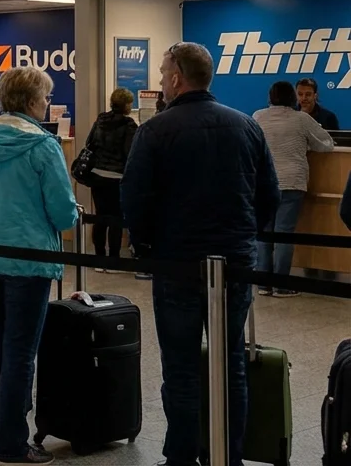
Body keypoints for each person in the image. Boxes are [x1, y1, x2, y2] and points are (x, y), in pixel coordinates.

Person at [122, 42, 280, 466]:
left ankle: (181, 456)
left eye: (161, 73)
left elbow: (135, 198)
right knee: (231, 364)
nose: (158, 81)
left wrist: (147, 246)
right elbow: (270, 194)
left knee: (181, 366)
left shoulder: (155, 131)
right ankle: (228, 454)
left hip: (177, 263)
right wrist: (247, 236)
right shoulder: (246, 126)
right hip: (235, 263)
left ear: (176, 78)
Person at [0, 66, 78, 465]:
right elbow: (62, 213)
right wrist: (72, 215)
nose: (46, 104)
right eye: (44, 98)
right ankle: (12, 446)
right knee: (20, 353)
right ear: (30, 102)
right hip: (28, 261)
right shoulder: (44, 146)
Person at [253, 80, 335, 295]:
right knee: (284, 234)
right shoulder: (301, 119)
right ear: (293, 97)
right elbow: (326, 145)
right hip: (291, 182)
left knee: (264, 233)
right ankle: (282, 285)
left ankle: (262, 283)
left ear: (270, 97)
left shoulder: (258, 116)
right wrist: (304, 144)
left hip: (263, 182)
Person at [83, 88, 139, 266]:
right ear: (126, 105)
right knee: (116, 218)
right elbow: (130, 152)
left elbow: (89, 143)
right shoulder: (129, 125)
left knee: (100, 216)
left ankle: (99, 258)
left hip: (97, 176)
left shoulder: (100, 120)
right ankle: (114, 259)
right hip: (117, 177)